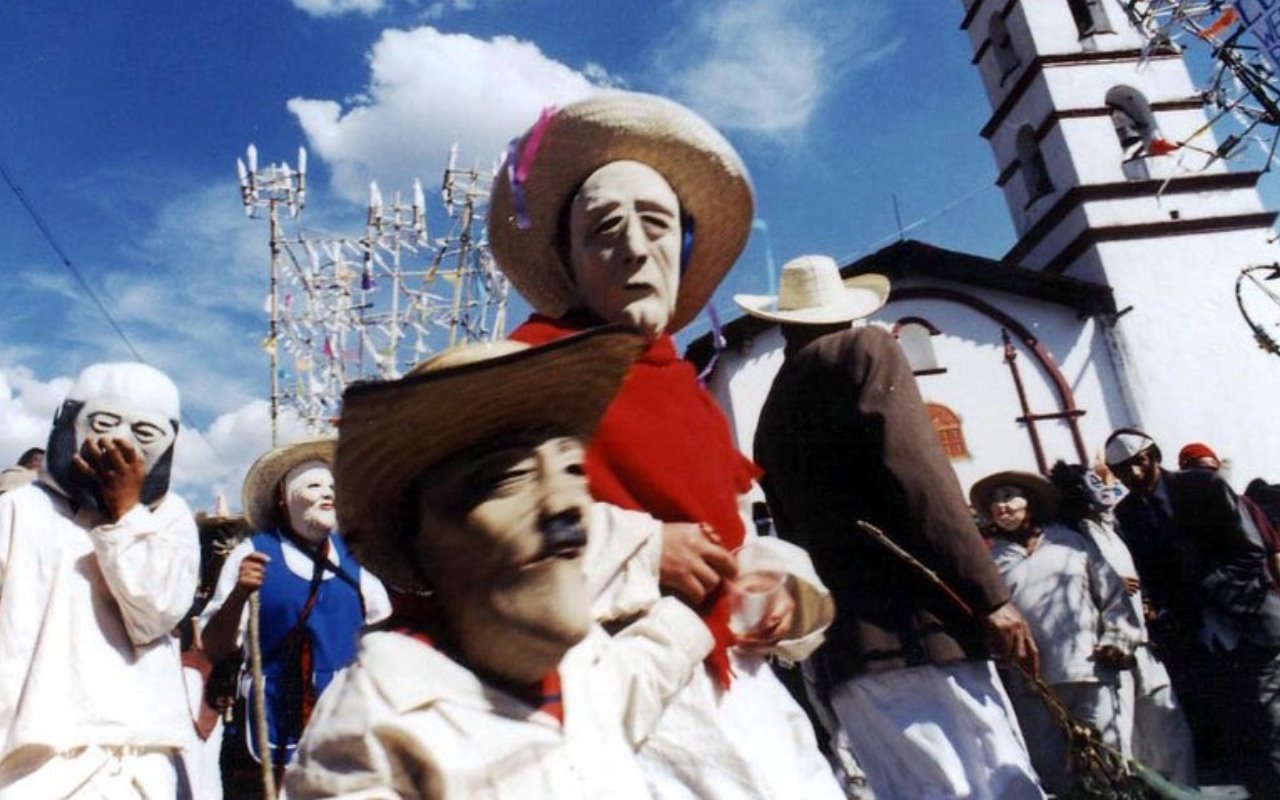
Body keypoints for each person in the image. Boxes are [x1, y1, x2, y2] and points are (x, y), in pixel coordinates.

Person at [490, 92, 842, 799]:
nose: (632, 245)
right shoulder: (520, 376)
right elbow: (479, 536)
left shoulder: (689, 392)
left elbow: (738, 533)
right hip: (622, 707)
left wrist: (774, 590)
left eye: (655, 223)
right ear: (569, 261)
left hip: (741, 698)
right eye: (602, 229)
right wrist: (645, 548)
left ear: (682, 246)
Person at [285, 327, 718, 798]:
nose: (566, 504)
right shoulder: (382, 724)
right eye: (507, 477)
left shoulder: (585, 671)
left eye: (572, 469)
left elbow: (646, 670)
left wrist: (730, 595)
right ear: (422, 538)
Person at [744, 255, 1043, 799]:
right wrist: (991, 597)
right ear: (843, 311)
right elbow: (922, 480)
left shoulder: (772, 409)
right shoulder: (867, 350)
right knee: (993, 783)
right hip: (919, 633)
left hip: (849, 654)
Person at [0, 362, 199, 797]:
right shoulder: (17, 511)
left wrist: (126, 513)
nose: (118, 443)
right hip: (35, 765)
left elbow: (157, 610)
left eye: (144, 434)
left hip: (141, 761)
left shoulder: (169, 517)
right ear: (68, 421)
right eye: (104, 424)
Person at [200, 438, 391, 794]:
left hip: (343, 718)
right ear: (283, 499)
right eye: (314, 485)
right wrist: (240, 594)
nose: (327, 493)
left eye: (333, 486)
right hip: (270, 716)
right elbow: (214, 647)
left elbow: (382, 632)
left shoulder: (357, 561)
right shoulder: (252, 553)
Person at [1106, 427, 1280, 792]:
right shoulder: (1128, 513)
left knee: (1270, 719)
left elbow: (1249, 552)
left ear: (1153, 456)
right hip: (1196, 638)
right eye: (1121, 469)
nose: (1133, 474)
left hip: (1247, 619)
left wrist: (1203, 588)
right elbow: (1150, 573)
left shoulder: (1203, 487)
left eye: (1138, 462)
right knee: (1234, 732)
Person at [973, 470, 1138, 795]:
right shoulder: (991, 563)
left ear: (1030, 503)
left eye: (1008, 496)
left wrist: (1117, 640)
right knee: (1052, 769)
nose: (1001, 506)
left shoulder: (1071, 543)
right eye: (994, 501)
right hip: (1033, 683)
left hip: (1089, 671)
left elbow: (1113, 598)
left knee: (1108, 761)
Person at [1048, 460, 1196, 786]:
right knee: (1122, 740)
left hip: (1141, 644)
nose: (1099, 488)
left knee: (1167, 728)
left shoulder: (1109, 526)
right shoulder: (1071, 538)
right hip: (1108, 653)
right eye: (1089, 484)